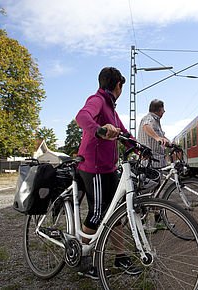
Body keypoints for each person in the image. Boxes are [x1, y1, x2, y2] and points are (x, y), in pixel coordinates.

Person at [75, 67, 141, 279]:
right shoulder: (97, 100)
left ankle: (120, 257)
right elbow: (82, 116)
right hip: (92, 167)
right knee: (97, 213)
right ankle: (84, 261)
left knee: (116, 213)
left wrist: (140, 148)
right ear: (118, 85)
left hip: (109, 168)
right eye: (122, 85)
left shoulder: (111, 109)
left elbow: (124, 133)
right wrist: (99, 129)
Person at [137, 99, 170, 168]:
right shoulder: (149, 118)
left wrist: (170, 143)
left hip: (157, 162)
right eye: (163, 109)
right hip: (150, 163)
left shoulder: (155, 122)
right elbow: (146, 126)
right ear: (160, 109)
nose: (164, 111)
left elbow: (162, 137)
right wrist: (157, 138)